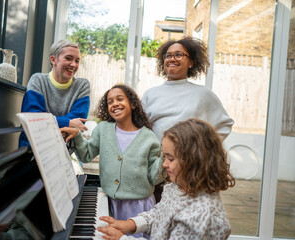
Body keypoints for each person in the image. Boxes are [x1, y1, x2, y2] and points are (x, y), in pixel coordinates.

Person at [97, 118, 236, 240]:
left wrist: (122, 239)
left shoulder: (199, 216)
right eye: (164, 157)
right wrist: (131, 224)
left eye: (170, 158)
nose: (164, 164)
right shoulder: (179, 187)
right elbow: (161, 215)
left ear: (194, 160)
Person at [61, 84, 163, 238]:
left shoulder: (149, 137)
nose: (114, 103)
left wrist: (165, 159)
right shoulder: (103, 129)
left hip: (139, 207)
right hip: (110, 203)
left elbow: (154, 177)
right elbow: (86, 155)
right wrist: (77, 135)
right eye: (110, 101)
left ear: (133, 104)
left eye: (120, 99)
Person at [142, 36, 234, 141]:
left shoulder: (203, 94)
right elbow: (138, 128)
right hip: (156, 156)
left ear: (191, 63)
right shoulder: (150, 94)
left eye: (178, 55)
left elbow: (224, 125)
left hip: (189, 157)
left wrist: (203, 149)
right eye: (168, 56)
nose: (172, 59)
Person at [19, 39, 90, 147]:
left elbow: (79, 123)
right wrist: (67, 123)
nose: (73, 64)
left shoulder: (82, 86)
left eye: (77, 60)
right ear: (53, 59)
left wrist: (48, 123)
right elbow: (32, 118)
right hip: (33, 149)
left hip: (64, 149)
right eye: (68, 58)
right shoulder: (38, 80)